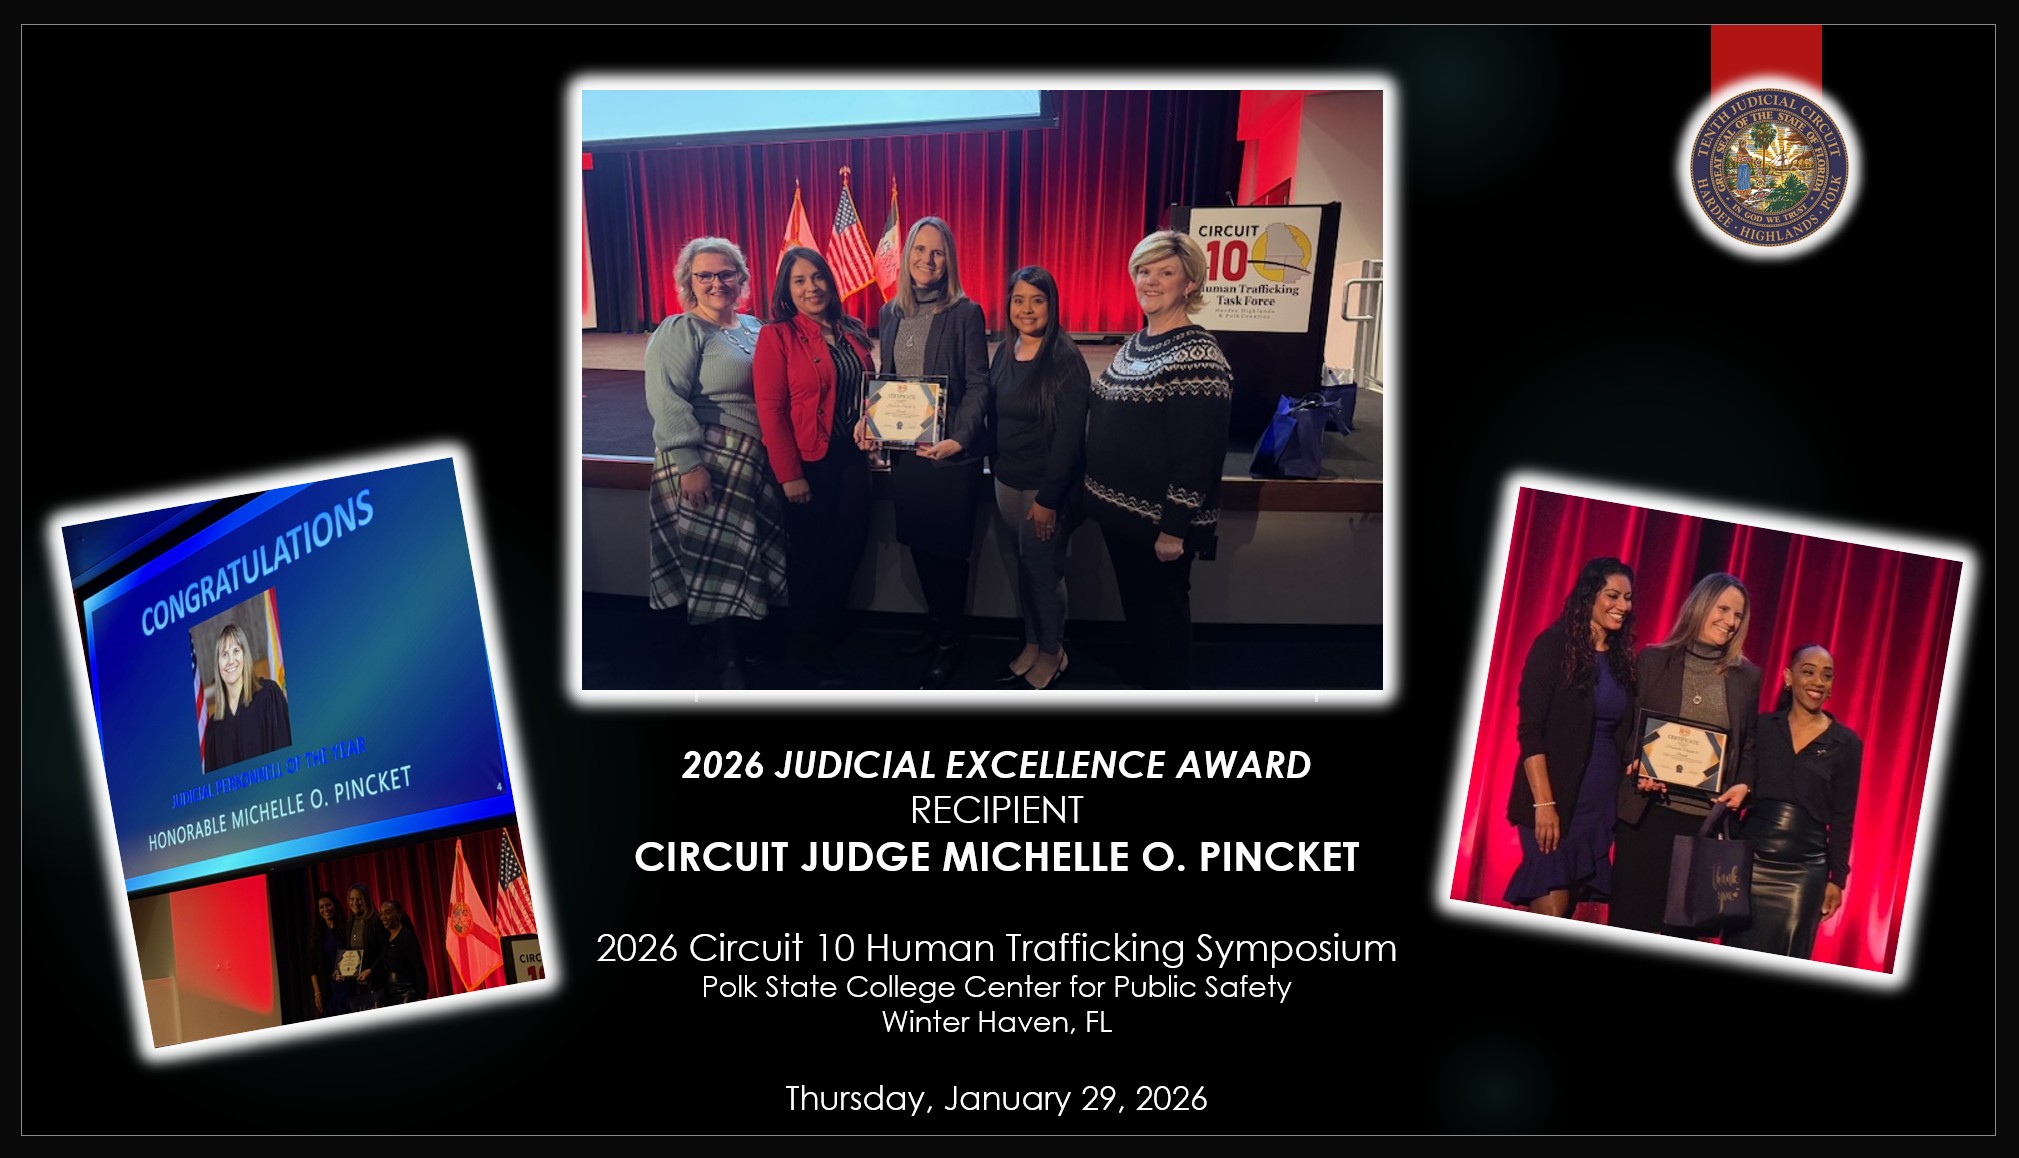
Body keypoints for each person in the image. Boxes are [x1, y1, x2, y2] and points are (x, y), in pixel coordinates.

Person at [1082, 230, 1232, 690]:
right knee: (1141, 615)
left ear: (1190, 283)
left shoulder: (1201, 356)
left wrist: (1174, 528)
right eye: (1144, 271)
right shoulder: (1137, 342)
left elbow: (1198, 452)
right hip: (1121, 517)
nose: (1150, 281)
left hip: (1158, 527)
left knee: (1164, 620)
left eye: (1165, 272)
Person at [645, 236, 788, 689]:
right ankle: (727, 658)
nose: (716, 282)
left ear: (741, 277)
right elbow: (666, 399)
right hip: (704, 460)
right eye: (704, 275)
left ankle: (734, 644)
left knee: (741, 555)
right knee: (718, 561)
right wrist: (689, 462)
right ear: (689, 282)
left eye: (725, 273)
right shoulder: (680, 329)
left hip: (751, 460)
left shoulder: (754, 327)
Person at [872, 216, 992, 688]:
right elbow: (887, 377)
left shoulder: (966, 312)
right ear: (906, 257)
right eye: (919, 250)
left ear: (950, 260)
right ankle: (936, 626)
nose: (927, 260)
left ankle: (951, 640)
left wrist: (960, 438)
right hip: (908, 453)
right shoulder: (890, 312)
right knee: (919, 545)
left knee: (948, 553)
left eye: (937, 252)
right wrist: (874, 420)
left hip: (950, 454)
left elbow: (979, 385)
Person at [1610, 572, 1762, 935]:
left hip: (1703, 828)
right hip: (1648, 818)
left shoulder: (1746, 676)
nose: (1730, 621)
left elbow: (1750, 746)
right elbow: (1630, 731)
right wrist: (1637, 765)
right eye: (1723, 609)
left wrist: (1744, 785)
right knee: (1632, 926)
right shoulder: (1653, 660)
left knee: (1685, 935)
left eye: (1738, 615)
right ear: (1700, 605)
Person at [754, 246, 877, 689]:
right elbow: (771, 410)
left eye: (818, 277)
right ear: (787, 290)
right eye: (800, 280)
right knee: (809, 557)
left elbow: (869, 391)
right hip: (808, 462)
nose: (812, 287)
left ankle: (830, 626)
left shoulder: (853, 331)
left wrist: (871, 417)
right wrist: (790, 475)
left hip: (851, 458)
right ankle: (809, 643)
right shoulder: (777, 336)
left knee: (849, 547)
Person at [1502, 558, 1639, 917]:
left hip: (1597, 806)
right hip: (1552, 802)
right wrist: (1545, 806)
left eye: (1628, 598)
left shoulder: (1622, 660)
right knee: (1552, 908)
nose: (1622, 606)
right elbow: (1531, 731)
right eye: (1613, 595)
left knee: (1568, 909)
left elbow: (1624, 735)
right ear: (1588, 595)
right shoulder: (1553, 645)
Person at [986, 265, 1091, 690]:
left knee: (1045, 575)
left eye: (1037, 300)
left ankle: (1053, 652)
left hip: (1044, 492)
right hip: (1006, 481)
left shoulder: (1065, 359)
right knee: (1026, 570)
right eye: (1018, 300)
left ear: (1052, 304)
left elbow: (1069, 441)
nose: (1027, 309)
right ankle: (1033, 641)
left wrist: (1047, 500)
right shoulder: (1005, 350)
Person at [1724, 643, 1863, 958]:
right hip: (1751, 863)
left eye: (1826, 676)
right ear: (1788, 677)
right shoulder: (1762, 727)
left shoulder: (1847, 743)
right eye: (1809, 672)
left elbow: (1844, 816)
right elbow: (1739, 786)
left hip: (1804, 873)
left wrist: (1837, 879)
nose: (1818, 682)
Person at [202, 621, 291, 771]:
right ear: (217, 665)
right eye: (224, 654)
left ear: (245, 656)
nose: (230, 661)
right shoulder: (213, 729)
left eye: (236, 651)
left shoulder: (269, 696)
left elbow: (286, 761)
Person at [360, 899, 429, 1005]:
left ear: (399, 913)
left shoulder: (406, 936)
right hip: (391, 994)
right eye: (381, 914)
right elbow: (383, 960)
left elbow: (418, 966)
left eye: (387, 913)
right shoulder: (386, 938)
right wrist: (371, 970)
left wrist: (421, 995)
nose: (383, 917)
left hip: (407, 993)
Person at [335, 882, 387, 1011]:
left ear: (366, 900)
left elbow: (386, 951)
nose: (355, 903)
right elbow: (349, 952)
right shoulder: (349, 923)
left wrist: (372, 970)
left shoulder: (376, 921)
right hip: (356, 989)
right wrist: (341, 969)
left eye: (359, 899)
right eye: (352, 899)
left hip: (375, 985)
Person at [307, 890, 349, 1017]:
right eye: (321, 907)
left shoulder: (347, 928)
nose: (325, 909)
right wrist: (317, 993)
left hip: (346, 984)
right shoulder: (316, 935)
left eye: (328, 905)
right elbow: (312, 968)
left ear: (335, 905)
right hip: (328, 989)